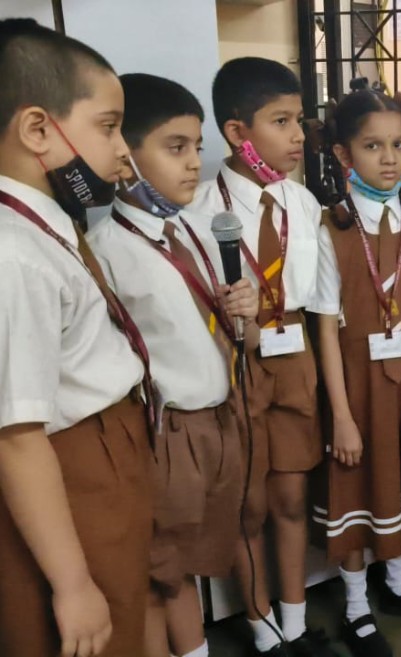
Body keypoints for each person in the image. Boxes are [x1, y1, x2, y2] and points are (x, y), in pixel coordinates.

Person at [87, 73, 257, 657]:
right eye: (175, 147)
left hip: (217, 419)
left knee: (187, 565)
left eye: (197, 147)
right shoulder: (110, 251)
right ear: (125, 156)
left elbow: (217, 326)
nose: (194, 164)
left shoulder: (185, 231)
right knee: (160, 572)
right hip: (167, 433)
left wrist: (246, 309)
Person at [0, 18, 152, 657]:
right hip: (72, 468)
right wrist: (71, 583)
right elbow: (16, 434)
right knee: (93, 628)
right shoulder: (13, 253)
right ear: (38, 128)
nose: (123, 153)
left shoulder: (44, 224)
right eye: (109, 125)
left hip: (104, 456)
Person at [191, 57, 331, 657]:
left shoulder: (303, 204)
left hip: (294, 355)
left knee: (291, 497)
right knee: (247, 504)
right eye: (281, 121)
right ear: (237, 132)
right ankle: (261, 626)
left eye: (300, 120)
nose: (300, 135)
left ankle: (297, 624)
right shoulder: (199, 214)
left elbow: (321, 304)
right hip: (235, 362)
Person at [312, 88, 401, 657]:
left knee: (400, 479)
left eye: (399, 145)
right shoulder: (332, 226)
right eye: (373, 146)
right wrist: (341, 415)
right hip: (355, 384)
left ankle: (396, 586)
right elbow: (323, 327)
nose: (389, 158)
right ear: (345, 156)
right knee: (354, 485)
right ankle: (354, 604)